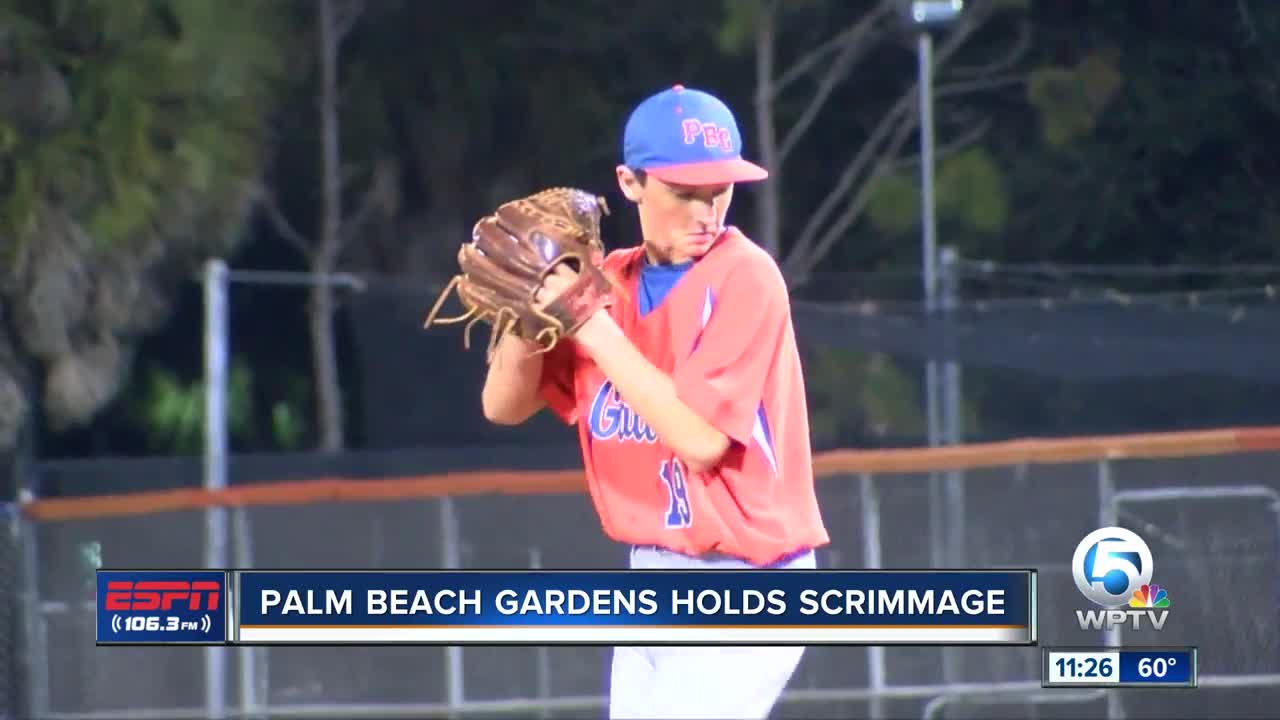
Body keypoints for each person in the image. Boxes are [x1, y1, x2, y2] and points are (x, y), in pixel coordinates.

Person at [479, 84, 830, 720]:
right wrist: (527, 313)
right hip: (654, 572)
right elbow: (503, 406)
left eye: (718, 191)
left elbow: (700, 441)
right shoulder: (608, 281)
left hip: (751, 581)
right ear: (630, 183)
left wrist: (584, 315)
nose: (707, 211)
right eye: (684, 192)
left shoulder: (745, 277)